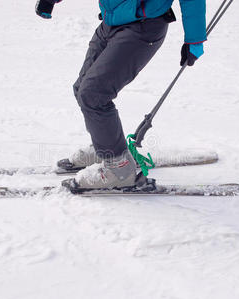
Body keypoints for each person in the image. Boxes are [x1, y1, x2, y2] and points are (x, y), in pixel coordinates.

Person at [36, 0, 206, 190]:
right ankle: (107, 149)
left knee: (94, 94)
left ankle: (119, 169)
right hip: (111, 21)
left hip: (143, 25)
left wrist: (195, 38)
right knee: (82, 89)